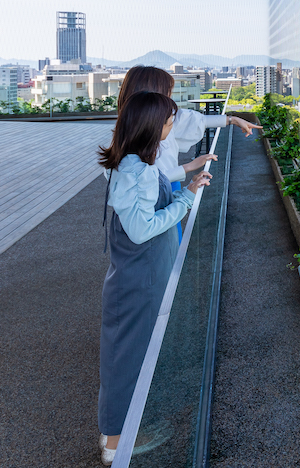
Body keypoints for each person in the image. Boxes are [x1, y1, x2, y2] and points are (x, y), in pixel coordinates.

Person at [97, 92, 211, 464]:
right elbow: (142, 228)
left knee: (132, 351)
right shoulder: (138, 172)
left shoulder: (132, 163)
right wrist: (186, 198)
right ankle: (115, 443)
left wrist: (186, 183)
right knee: (128, 355)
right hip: (139, 278)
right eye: (167, 121)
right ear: (152, 126)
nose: (171, 126)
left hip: (140, 274)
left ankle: (122, 432)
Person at [116, 66, 261, 192]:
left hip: (168, 186)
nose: (170, 98)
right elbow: (146, 181)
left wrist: (232, 120)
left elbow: (193, 119)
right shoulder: (136, 143)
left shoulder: (130, 130)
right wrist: (188, 168)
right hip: (160, 192)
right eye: (167, 93)